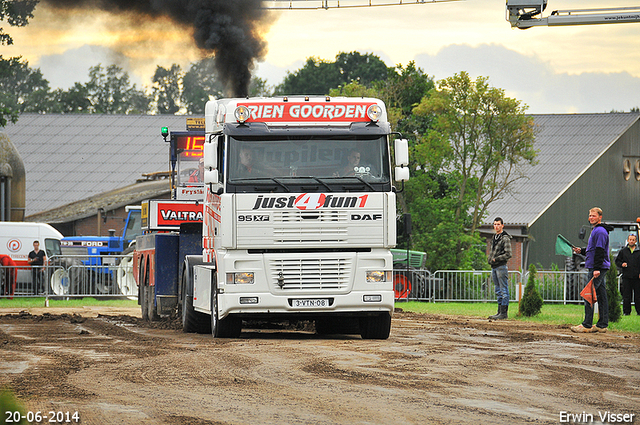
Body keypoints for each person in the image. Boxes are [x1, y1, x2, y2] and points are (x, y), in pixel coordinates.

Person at [571, 207, 612, 333]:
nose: (591, 218)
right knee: (601, 295)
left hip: (597, 267)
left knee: (588, 294)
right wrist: (581, 251)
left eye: (593, 216)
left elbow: (599, 251)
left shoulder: (599, 231)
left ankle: (587, 324)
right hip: (599, 266)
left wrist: (597, 269)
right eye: (589, 215)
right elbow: (593, 249)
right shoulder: (597, 230)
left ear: (600, 217)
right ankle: (602, 325)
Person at [487, 217, 512, 320]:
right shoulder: (495, 237)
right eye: (495, 224)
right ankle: (499, 312)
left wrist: (496, 259)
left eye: (498, 224)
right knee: (498, 290)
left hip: (501, 266)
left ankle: (504, 313)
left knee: (503, 290)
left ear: (502, 225)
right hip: (494, 267)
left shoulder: (505, 238)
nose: (496, 226)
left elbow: (508, 254)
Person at [615, 234, 640, 315]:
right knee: (626, 296)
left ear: (635, 241)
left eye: (633, 240)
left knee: (638, 296)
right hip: (626, 276)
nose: (631, 241)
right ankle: (626, 312)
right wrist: (622, 264)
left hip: (637, 277)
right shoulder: (623, 251)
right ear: (628, 240)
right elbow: (617, 261)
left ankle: (639, 312)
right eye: (630, 239)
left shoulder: (639, 251)